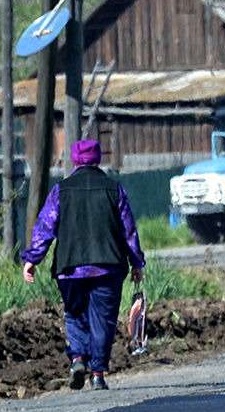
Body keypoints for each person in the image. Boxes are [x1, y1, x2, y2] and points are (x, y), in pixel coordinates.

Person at [22, 140, 145, 391]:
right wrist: (136, 262)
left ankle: (78, 358)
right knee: (103, 320)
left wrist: (32, 259)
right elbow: (128, 230)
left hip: (70, 267)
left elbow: (45, 227)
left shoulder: (61, 191)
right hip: (108, 267)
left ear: (75, 160)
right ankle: (97, 374)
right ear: (98, 159)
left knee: (74, 313)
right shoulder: (114, 190)